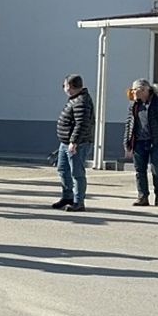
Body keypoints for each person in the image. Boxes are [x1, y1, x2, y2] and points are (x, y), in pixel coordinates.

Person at [124, 79, 158, 207]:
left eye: (135, 89)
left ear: (144, 90)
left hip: (156, 142)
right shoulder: (134, 104)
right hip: (139, 142)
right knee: (139, 170)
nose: (132, 92)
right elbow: (129, 124)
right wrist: (127, 143)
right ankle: (142, 197)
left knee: (156, 169)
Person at [54, 74, 95, 212]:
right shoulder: (74, 99)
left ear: (70, 86)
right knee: (63, 169)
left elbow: (82, 124)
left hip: (77, 143)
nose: (64, 88)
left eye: (64, 85)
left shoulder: (81, 101)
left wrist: (74, 141)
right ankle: (67, 197)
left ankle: (79, 202)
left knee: (77, 173)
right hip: (65, 142)